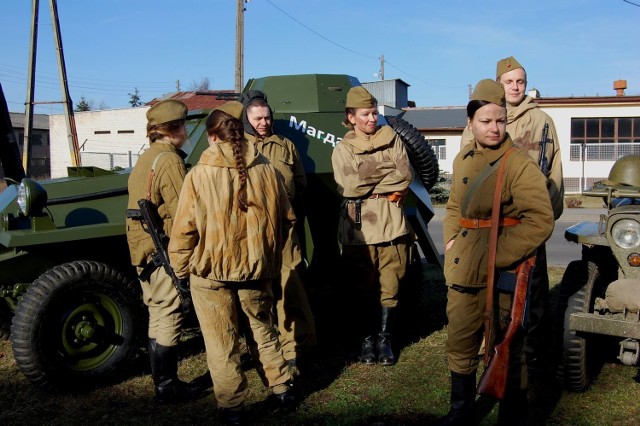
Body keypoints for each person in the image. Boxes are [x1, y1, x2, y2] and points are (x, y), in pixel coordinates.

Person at [168, 101, 298, 425]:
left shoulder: (198, 176)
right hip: (257, 271)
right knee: (263, 331)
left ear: (212, 138)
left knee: (220, 343)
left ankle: (233, 409)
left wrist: (180, 271)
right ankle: (283, 390)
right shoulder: (267, 169)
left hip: (210, 275)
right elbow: (287, 219)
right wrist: (267, 258)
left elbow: (184, 231)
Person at [441, 79, 554, 425]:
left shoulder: (518, 163)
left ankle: (512, 415)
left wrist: (499, 255)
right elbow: (453, 207)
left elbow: (541, 219)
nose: (494, 127)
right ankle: (460, 411)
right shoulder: (464, 159)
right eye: (486, 121)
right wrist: (450, 242)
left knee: (508, 346)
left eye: (500, 120)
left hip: (503, 272)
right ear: (471, 123)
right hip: (463, 268)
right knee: (460, 340)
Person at [461, 56, 564, 372]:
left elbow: (554, 172)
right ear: (499, 84)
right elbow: (467, 166)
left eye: (520, 81)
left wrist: (545, 215)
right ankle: (487, 343)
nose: (516, 87)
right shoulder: (484, 116)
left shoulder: (541, 120)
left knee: (530, 287)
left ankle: (528, 346)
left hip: (526, 221)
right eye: (509, 82)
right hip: (490, 221)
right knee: (486, 283)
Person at [125, 99, 203, 403]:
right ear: (177, 128)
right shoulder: (169, 160)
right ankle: (168, 386)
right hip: (161, 248)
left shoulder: (148, 157)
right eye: (184, 125)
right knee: (170, 312)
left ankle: (162, 383)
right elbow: (183, 209)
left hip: (143, 248)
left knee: (158, 311)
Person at [331, 86, 414, 366]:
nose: (372, 119)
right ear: (351, 117)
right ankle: (367, 341)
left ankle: (384, 339)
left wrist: (367, 173)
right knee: (362, 286)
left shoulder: (392, 139)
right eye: (365, 114)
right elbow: (349, 185)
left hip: (391, 222)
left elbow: (404, 175)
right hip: (360, 228)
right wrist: (384, 170)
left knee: (391, 283)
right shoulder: (343, 148)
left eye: (374, 113)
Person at [239, 90, 316, 371]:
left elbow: (300, 183)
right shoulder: (238, 147)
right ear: (247, 119)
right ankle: (259, 348)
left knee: (291, 284)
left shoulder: (286, 146)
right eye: (258, 118)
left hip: (284, 227)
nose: (263, 122)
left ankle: (295, 345)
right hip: (251, 230)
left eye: (267, 117)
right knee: (256, 290)